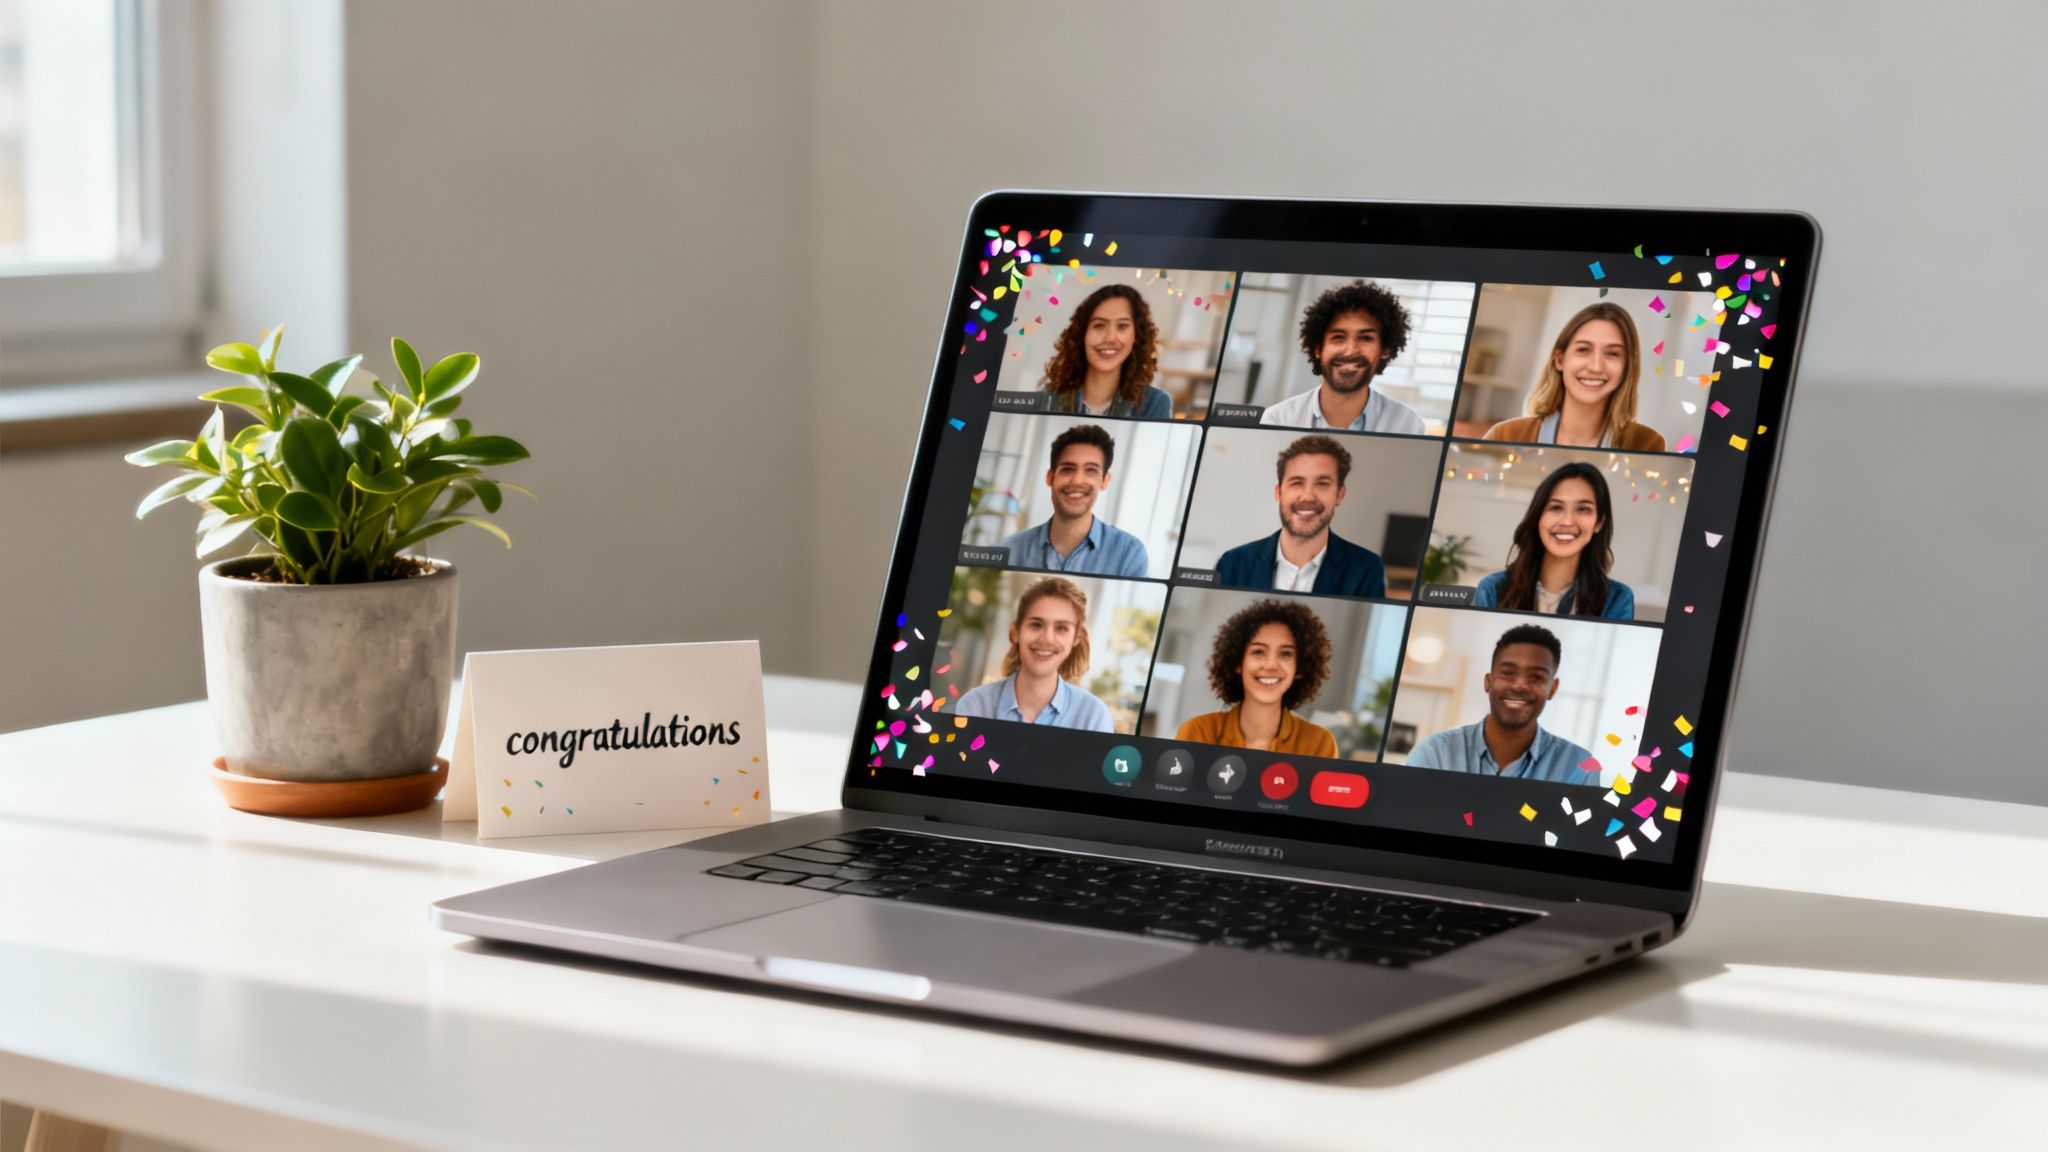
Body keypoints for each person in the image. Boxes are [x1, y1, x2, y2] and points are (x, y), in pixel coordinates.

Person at [1404, 623, 1595, 782]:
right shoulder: (1434, 754)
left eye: (1536, 677)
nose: (1520, 686)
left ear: (1552, 688)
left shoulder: (1580, 768)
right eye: (1508, 673)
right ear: (1488, 681)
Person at [1214, 435, 1385, 598]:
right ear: (1278, 493)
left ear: (1340, 494)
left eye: (1322, 483)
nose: (1307, 497)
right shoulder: (1232, 564)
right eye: (1296, 483)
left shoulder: (1366, 569)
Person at [1483, 302, 1666, 451]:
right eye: (1583, 350)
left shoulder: (1646, 443)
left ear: (1627, 367)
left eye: (1612, 353)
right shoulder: (1505, 436)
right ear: (1560, 360)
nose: (1595, 367)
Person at [1259, 279, 1426, 435]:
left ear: (1385, 350)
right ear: (1318, 349)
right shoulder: (1277, 420)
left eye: (1365, 338)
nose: (1350, 351)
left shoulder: (1407, 425)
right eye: (1338, 337)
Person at [1471, 462, 1635, 620]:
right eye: (1556, 507)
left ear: (1599, 523)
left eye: (1583, 509)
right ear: (1538, 516)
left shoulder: (1617, 599)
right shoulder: (1493, 589)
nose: (1567, 521)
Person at [1175, 599, 1338, 757]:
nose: (1271, 665)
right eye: (1258, 652)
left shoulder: (1320, 743)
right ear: (1238, 662)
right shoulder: (1197, 732)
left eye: (1285, 654)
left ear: (1300, 667)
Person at [950, 577, 1117, 731]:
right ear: (1015, 632)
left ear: (1075, 639)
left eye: (1061, 628)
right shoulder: (975, 705)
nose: (1047, 639)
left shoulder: (1093, 717)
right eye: (1036, 625)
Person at [997, 424, 1148, 577]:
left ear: (1105, 481)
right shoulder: (1011, 549)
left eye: (1091, 470)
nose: (1077, 480)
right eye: (1068, 469)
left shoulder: (1129, 555)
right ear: (1050, 477)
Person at [1038, 284, 1174, 419]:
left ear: (1136, 336)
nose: (1110, 338)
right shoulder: (1049, 400)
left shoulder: (1154, 404)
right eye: (1099, 325)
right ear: (1083, 334)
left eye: (1122, 326)